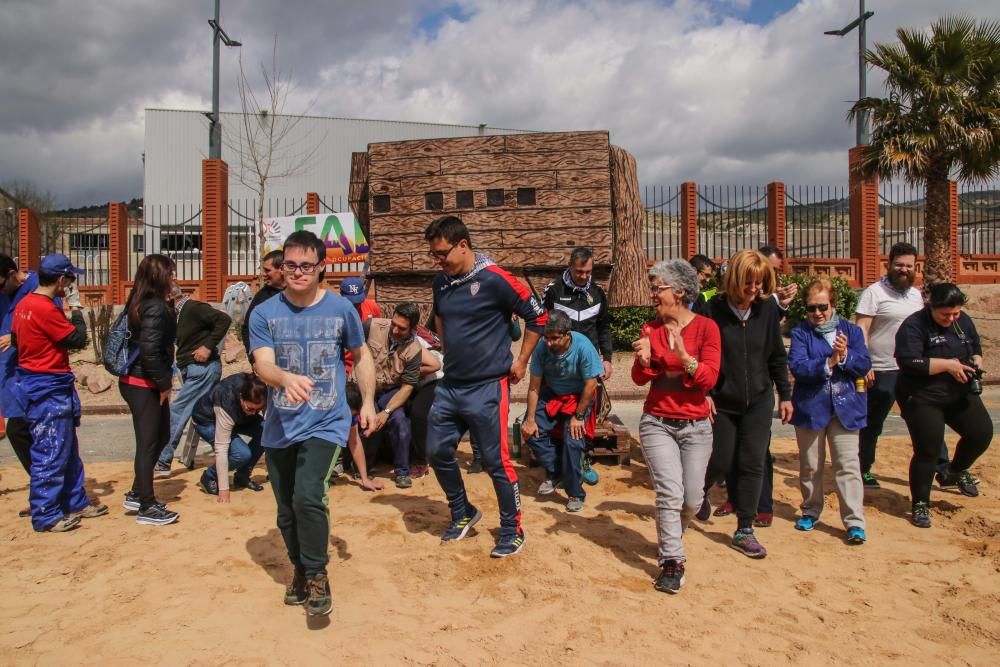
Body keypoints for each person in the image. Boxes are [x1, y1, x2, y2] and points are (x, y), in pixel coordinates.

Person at [249, 229, 377, 617]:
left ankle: (318, 575)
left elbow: (362, 353)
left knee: (308, 496)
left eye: (306, 265)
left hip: (326, 420)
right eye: (290, 265)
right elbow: (262, 363)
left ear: (321, 268)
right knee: (286, 509)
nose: (297, 272)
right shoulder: (264, 312)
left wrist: (368, 400)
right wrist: (284, 379)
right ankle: (300, 570)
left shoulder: (340, 309)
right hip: (280, 426)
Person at [423, 215, 546, 558]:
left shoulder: (495, 279)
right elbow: (440, 318)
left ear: (463, 245)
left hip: (488, 386)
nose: (438, 260)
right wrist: (448, 350)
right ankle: (462, 511)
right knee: (436, 451)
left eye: (442, 253)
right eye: (434, 255)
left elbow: (538, 316)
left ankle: (513, 529)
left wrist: (521, 361)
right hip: (451, 386)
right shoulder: (441, 282)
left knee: (496, 461)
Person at [631, 260, 721, 593]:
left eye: (658, 288)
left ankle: (673, 535)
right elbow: (640, 379)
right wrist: (644, 361)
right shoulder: (651, 329)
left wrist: (685, 357)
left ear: (680, 291)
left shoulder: (706, 329)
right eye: (653, 287)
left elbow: (708, 378)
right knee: (669, 493)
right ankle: (672, 561)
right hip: (658, 422)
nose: (653, 293)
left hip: (697, 425)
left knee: (692, 501)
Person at [697, 249, 792, 559]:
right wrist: (706, 394)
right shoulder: (712, 310)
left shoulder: (766, 310)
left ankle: (744, 529)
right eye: (748, 283)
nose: (754, 290)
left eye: (760, 283)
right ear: (735, 279)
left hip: (760, 399)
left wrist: (785, 395)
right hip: (722, 399)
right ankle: (696, 496)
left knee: (753, 462)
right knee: (722, 458)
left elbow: (777, 355)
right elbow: (700, 355)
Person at [854, 244, 966, 493]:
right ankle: (863, 469)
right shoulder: (874, 293)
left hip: (913, 370)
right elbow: (861, 328)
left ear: (916, 267)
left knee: (928, 419)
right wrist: (864, 362)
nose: (904, 269)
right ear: (889, 264)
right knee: (872, 423)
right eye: (899, 264)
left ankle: (943, 469)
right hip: (882, 369)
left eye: (909, 265)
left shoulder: (916, 296)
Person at [12, 254, 107, 532]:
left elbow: (19, 340)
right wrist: (76, 310)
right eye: (70, 279)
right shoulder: (44, 308)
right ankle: (46, 514)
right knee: (50, 452)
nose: (70, 284)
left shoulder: (23, 305)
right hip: (48, 387)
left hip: (41, 383)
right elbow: (76, 338)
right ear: (61, 280)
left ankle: (75, 501)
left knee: (67, 449)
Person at [894, 283, 992, 528]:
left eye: (956, 313)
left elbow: (975, 346)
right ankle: (920, 503)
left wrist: (976, 361)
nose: (951, 318)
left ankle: (954, 470)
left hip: (958, 392)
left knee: (981, 433)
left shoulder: (962, 320)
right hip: (922, 396)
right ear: (931, 307)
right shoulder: (913, 326)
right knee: (927, 450)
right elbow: (909, 361)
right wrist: (948, 365)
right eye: (945, 314)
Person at [788, 278, 870, 544]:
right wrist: (829, 361)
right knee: (811, 465)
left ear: (833, 304)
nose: (817, 313)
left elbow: (864, 364)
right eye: (811, 308)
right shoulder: (801, 332)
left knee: (847, 465)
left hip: (846, 407)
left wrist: (845, 356)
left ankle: (854, 521)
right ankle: (811, 510)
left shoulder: (852, 331)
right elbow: (798, 367)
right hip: (812, 408)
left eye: (822, 306)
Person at [521, 310, 603, 512]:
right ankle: (557, 471)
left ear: (568, 334)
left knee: (572, 440)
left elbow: (590, 385)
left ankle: (575, 492)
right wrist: (530, 418)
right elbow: (534, 387)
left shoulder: (583, 346)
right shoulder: (542, 348)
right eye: (546, 337)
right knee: (530, 432)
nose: (549, 343)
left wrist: (579, 416)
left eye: (555, 338)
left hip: (579, 397)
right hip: (551, 394)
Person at [119, 254, 180, 526]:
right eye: (171, 272)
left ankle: (137, 491)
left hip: (143, 380)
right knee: (148, 443)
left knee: (162, 435)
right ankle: (146, 506)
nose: (175, 277)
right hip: (143, 382)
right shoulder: (154, 307)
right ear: (159, 277)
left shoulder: (142, 301)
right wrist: (164, 384)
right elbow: (150, 352)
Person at [154, 286, 231, 477]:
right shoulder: (175, 314)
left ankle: (162, 460)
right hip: (190, 366)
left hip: (203, 369)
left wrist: (207, 346)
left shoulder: (194, 308)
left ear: (169, 296)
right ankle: (232, 453)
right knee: (203, 414)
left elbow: (224, 319)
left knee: (179, 410)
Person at [359, 302, 423, 489]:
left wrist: (386, 411)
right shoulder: (371, 326)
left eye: (401, 328)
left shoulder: (415, 350)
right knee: (363, 420)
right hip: (364, 387)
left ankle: (402, 471)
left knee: (400, 421)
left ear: (413, 328)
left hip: (390, 391)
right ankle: (363, 468)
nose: (394, 330)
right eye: (393, 323)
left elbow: (407, 387)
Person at [190, 372, 267, 501]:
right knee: (241, 454)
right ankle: (209, 476)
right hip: (208, 420)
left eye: (257, 410)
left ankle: (242, 476)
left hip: (238, 418)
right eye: (250, 409)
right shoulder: (226, 401)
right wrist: (224, 490)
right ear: (241, 397)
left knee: (267, 432)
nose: (253, 413)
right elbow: (221, 448)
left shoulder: (259, 392)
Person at [542, 247, 613, 380]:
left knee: (589, 399)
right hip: (559, 360)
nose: (584, 277)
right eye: (579, 272)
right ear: (570, 266)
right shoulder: (554, 290)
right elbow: (541, 326)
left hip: (589, 359)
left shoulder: (597, 292)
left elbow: (604, 327)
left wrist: (607, 359)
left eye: (588, 272)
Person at [0, 255, 37, 502]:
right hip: (9, 375)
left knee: (23, 430)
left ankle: (47, 489)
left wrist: (16, 338)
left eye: (2, 284)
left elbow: (49, 329)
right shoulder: (6, 295)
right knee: (17, 430)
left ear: (14, 273)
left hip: (32, 375)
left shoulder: (37, 288)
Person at [241, 249, 285, 358]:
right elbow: (247, 328)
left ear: (282, 269)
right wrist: (254, 360)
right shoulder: (262, 297)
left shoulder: (300, 293)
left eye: (267, 270)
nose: (263, 274)